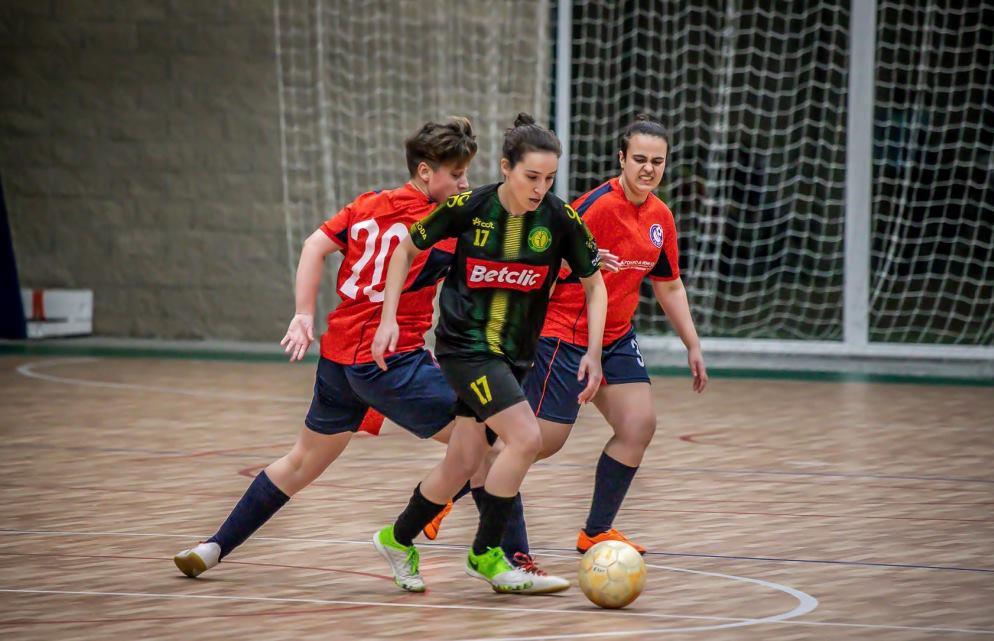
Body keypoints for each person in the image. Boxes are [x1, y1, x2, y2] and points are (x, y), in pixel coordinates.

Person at [172, 117, 479, 578]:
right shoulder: (443, 226)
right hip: (389, 357)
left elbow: (314, 246)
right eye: (456, 175)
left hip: (338, 356)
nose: (464, 183)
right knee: (488, 441)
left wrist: (302, 313)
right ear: (424, 173)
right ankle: (433, 519)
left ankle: (214, 547)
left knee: (299, 463)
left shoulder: (366, 205)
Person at [426, 114, 709, 560]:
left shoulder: (661, 218)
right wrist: (584, 264)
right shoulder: (593, 207)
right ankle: (450, 488)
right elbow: (541, 266)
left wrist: (692, 344)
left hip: (615, 336)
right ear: (621, 158)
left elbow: (668, 283)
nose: (648, 169)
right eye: (639, 159)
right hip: (564, 334)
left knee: (638, 426)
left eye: (657, 161)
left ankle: (596, 532)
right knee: (541, 441)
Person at [369, 113, 607, 595]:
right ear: (505, 167)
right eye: (531, 177)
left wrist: (595, 352)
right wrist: (388, 318)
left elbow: (595, 285)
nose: (541, 188)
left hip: (515, 356)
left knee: (462, 462)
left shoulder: (561, 220)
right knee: (524, 437)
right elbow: (404, 252)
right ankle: (486, 554)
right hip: (465, 349)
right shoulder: (467, 207)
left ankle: (396, 539)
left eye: (549, 178)